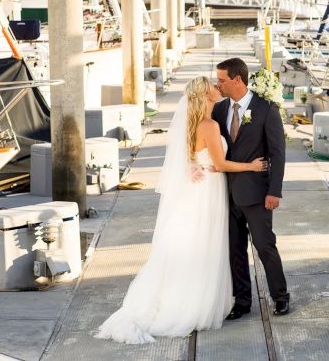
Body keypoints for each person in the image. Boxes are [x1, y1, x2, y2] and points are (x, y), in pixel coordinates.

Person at [94, 76, 267, 344]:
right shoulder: (208, 125)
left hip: (199, 188)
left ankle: (190, 297)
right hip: (209, 189)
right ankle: (194, 303)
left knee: (195, 241)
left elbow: (191, 156)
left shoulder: (193, 122)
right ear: (205, 95)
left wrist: (194, 165)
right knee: (204, 244)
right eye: (212, 84)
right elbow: (220, 164)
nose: (217, 86)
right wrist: (251, 167)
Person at [213, 57, 289, 319]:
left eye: (222, 80)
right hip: (225, 193)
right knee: (235, 250)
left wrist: (274, 191)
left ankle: (280, 296)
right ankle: (242, 301)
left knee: (264, 245)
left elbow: (277, 153)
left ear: (237, 79)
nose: (218, 84)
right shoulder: (219, 110)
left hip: (257, 193)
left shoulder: (266, 109)